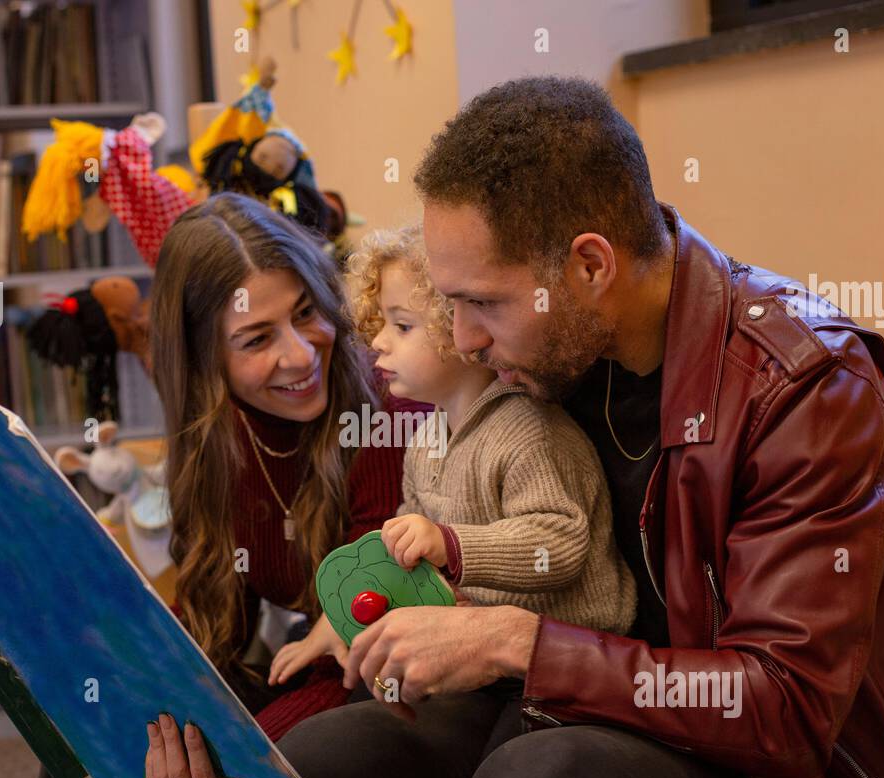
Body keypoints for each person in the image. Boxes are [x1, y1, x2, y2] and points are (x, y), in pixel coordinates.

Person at [257, 76, 884, 778]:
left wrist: (519, 642)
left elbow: (786, 710)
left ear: (591, 266)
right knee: (321, 772)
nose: (463, 340)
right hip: (589, 722)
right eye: (448, 306)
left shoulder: (803, 387)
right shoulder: (559, 358)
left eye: (484, 305)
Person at [30, 192, 409, 778]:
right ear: (206, 360)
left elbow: (364, 633)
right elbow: (211, 629)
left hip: (378, 684)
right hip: (299, 675)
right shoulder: (217, 441)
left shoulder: (384, 403)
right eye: (258, 339)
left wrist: (242, 759)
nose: (300, 354)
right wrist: (119, 669)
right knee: (93, 731)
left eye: (305, 314)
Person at [269, 224, 635, 687]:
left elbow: (558, 544)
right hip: (472, 656)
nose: (378, 342)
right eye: (380, 323)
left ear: (462, 331)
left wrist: (450, 545)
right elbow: (409, 538)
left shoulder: (531, 432)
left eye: (402, 325)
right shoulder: (424, 440)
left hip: (560, 662)